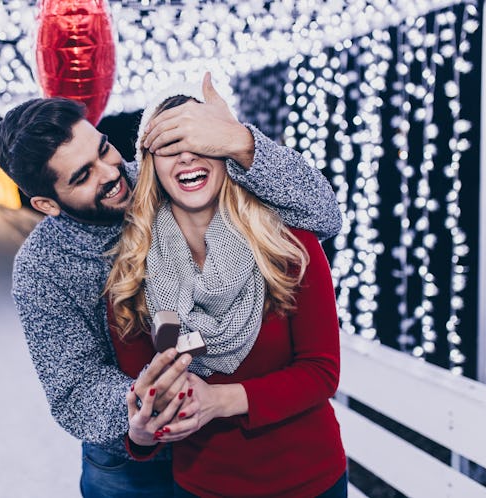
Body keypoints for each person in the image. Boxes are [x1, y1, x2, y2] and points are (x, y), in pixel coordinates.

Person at [0, 73, 343, 497]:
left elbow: (321, 217)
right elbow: (74, 389)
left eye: (105, 148)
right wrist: (152, 401)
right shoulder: (42, 268)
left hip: (239, 452)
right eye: (84, 175)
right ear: (47, 204)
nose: (113, 172)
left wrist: (239, 141)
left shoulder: (162, 175)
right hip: (131, 457)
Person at [105, 88, 347, 497]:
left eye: (199, 142)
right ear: (150, 167)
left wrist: (219, 400)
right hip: (203, 486)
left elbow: (322, 372)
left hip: (309, 481)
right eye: (168, 145)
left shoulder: (288, 246)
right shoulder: (132, 274)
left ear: (223, 154)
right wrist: (144, 429)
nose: (186, 156)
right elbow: (144, 402)